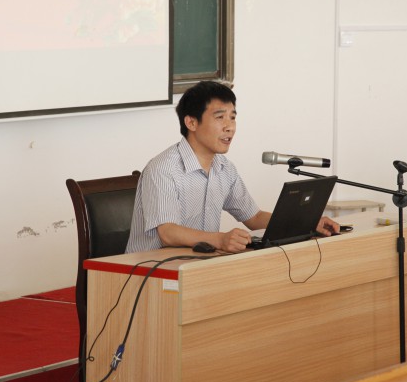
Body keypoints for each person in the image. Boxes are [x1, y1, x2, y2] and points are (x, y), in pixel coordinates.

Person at [125, 80, 339, 253]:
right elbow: (168, 233)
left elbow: (254, 218)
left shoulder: (224, 168)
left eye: (233, 118)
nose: (230, 127)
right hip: (147, 273)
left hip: (196, 265)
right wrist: (220, 239)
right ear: (191, 123)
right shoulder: (163, 169)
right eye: (220, 117)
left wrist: (307, 223)